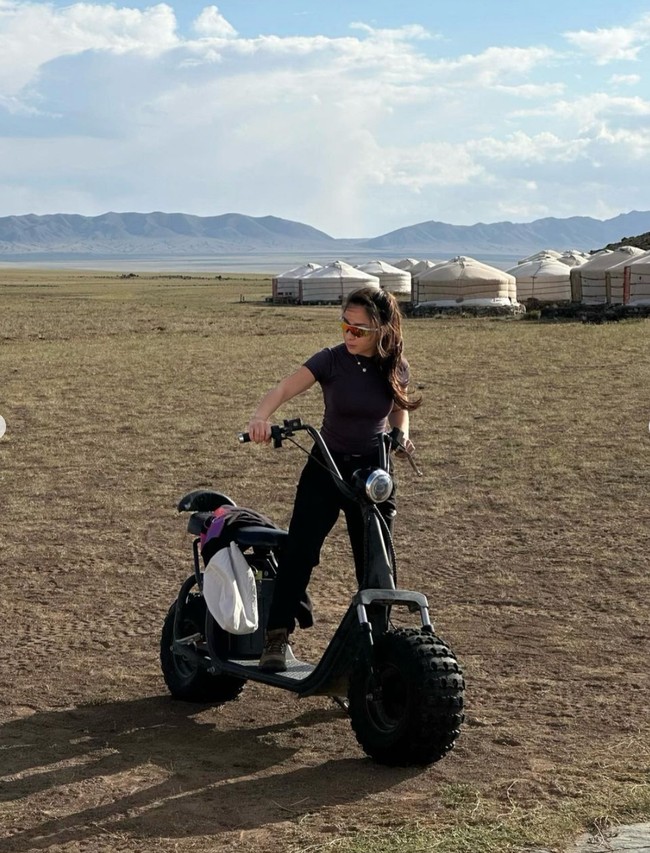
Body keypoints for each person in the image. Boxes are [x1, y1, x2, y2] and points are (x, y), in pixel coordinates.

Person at [247, 286, 421, 672]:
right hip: (326, 467)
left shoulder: (396, 365)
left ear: (381, 330)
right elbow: (283, 388)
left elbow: (398, 409)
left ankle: (377, 644)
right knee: (301, 551)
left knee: (376, 560)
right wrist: (260, 418)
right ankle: (276, 638)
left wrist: (402, 434)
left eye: (358, 329)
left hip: (373, 473)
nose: (349, 334)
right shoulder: (330, 360)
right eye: (345, 325)